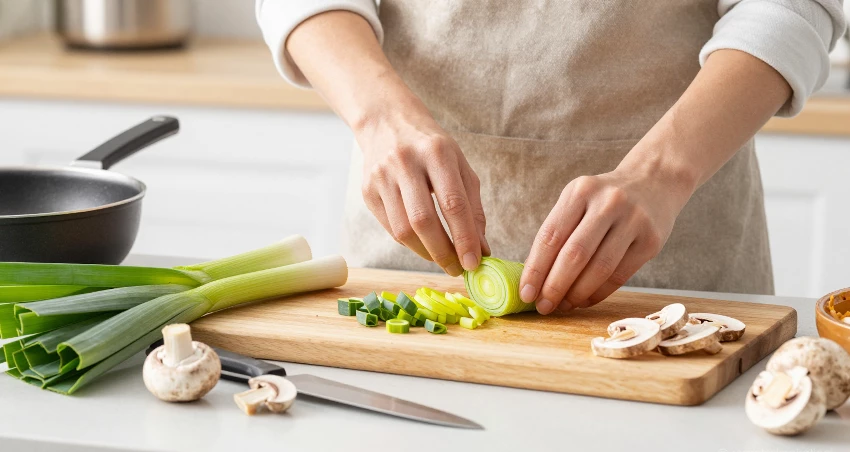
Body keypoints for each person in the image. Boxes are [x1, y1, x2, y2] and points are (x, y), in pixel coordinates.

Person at [256, 0, 846, 314]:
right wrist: (381, 118)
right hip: (406, 245)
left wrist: (662, 173)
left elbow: (795, 5)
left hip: (678, 256)